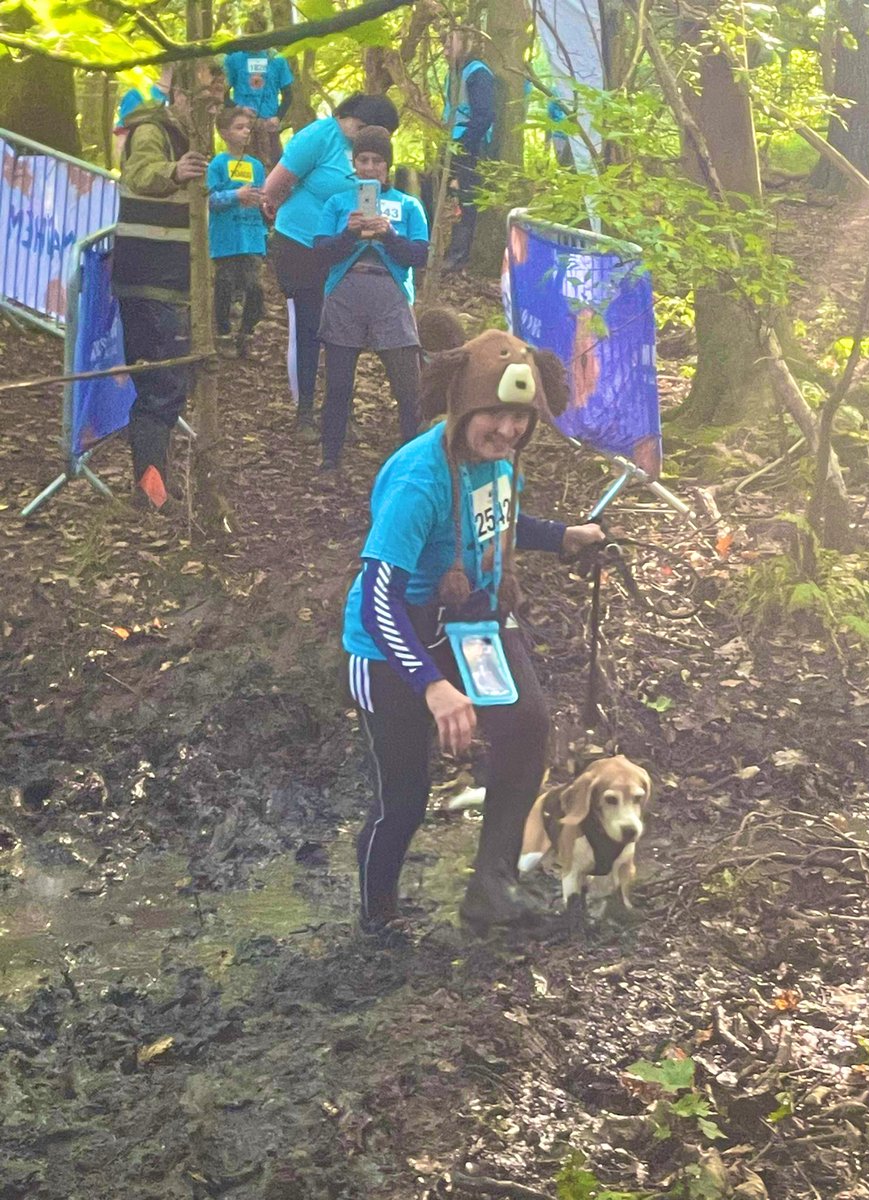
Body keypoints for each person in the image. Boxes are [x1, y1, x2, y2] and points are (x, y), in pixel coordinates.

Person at [341, 328, 606, 944]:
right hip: (390, 642)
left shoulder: (498, 462)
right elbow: (380, 600)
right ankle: (377, 918)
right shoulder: (418, 481)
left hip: (470, 622)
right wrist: (433, 687)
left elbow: (501, 521)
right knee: (402, 798)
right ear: (464, 408)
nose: (509, 431)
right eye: (495, 414)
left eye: (520, 417)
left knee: (527, 723)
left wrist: (564, 535)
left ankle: (491, 888)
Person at [112, 59, 221, 511]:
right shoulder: (150, 130)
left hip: (178, 279)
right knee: (159, 381)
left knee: (175, 381)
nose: (210, 108)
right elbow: (140, 173)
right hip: (148, 278)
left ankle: (158, 479)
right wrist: (175, 172)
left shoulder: (196, 136)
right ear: (177, 95)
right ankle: (149, 490)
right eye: (201, 99)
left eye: (216, 100)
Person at [262, 92, 399, 443]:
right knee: (307, 326)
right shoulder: (319, 136)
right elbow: (275, 186)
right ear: (356, 119)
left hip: (344, 250)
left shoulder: (367, 157)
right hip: (301, 243)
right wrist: (274, 212)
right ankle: (304, 410)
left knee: (343, 333)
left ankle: (338, 411)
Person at [313, 125, 429, 471]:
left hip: (390, 295)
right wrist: (349, 233)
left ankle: (413, 461)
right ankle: (330, 460)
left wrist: (389, 235)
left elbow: (418, 255)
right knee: (338, 385)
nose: (369, 167)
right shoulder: (337, 203)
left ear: (387, 165)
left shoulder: (408, 205)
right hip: (346, 292)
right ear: (354, 163)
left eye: (377, 160)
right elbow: (320, 252)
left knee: (408, 387)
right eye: (362, 159)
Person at [207, 106, 267, 360]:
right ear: (223, 133)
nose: (245, 133)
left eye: (247, 128)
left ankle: (246, 335)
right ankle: (222, 334)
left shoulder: (256, 165)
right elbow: (209, 199)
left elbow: (264, 195)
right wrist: (236, 195)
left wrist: (265, 203)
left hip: (252, 236)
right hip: (225, 237)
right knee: (224, 285)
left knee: (255, 288)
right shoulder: (217, 164)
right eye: (238, 127)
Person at [442, 29, 496, 272]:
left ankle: (458, 257)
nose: (444, 50)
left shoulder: (478, 73)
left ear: (466, 44)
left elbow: (484, 116)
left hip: (470, 146)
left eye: (449, 44)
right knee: (445, 196)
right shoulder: (454, 73)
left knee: (467, 199)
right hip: (451, 143)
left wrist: (463, 145)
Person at [223, 10, 293, 169]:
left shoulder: (276, 59)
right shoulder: (234, 58)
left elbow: (288, 95)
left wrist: (278, 117)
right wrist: (239, 109)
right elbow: (223, 95)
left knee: (273, 170)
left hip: (269, 126)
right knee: (243, 171)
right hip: (242, 126)